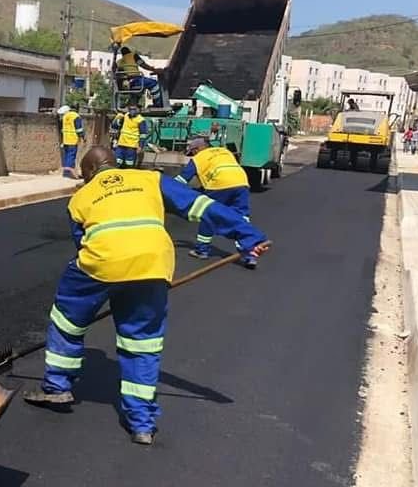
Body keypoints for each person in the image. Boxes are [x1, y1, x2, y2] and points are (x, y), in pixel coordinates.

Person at [23, 146, 270, 445]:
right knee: (142, 342)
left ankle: (56, 386)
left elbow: (82, 243)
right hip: (152, 266)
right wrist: (247, 235)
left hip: (102, 265)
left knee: (66, 320)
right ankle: (142, 424)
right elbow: (200, 205)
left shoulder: (80, 197)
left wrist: (111, 287)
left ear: (88, 174)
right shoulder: (150, 179)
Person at [175, 136, 257, 268]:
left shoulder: (198, 158)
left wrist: (164, 189)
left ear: (197, 149)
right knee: (242, 218)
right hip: (241, 182)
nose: (193, 155)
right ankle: (249, 255)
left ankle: (201, 250)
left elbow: (181, 181)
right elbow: (222, 170)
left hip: (219, 184)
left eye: (192, 152)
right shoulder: (224, 151)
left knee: (208, 214)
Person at [110, 104, 149, 168]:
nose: (132, 111)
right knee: (117, 162)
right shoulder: (125, 116)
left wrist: (140, 146)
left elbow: (143, 134)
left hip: (132, 146)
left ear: (138, 110)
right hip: (121, 144)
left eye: (134, 109)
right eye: (130, 109)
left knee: (129, 163)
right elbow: (115, 126)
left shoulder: (141, 120)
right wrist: (118, 117)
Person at [58, 104, 86, 178]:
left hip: (65, 139)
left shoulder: (64, 117)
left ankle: (66, 173)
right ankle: (69, 172)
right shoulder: (75, 116)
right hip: (73, 140)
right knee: (71, 156)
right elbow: (79, 129)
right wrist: (82, 137)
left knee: (67, 156)